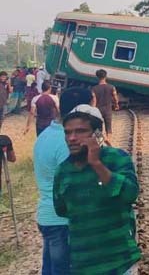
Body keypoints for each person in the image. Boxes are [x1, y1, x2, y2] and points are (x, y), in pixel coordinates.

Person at [53, 104, 140, 274]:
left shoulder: (116, 158)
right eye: (68, 132)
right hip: (82, 263)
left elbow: (130, 194)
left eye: (80, 131)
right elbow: (61, 209)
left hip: (119, 261)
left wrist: (96, 164)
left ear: (96, 134)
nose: (72, 138)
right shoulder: (63, 170)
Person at [33, 87, 91, 275]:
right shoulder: (67, 143)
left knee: (51, 269)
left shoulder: (47, 134)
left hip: (48, 216)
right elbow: (74, 186)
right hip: (63, 221)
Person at [90, 69, 119, 141]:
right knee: (108, 128)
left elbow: (94, 101)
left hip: (98, 110)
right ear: (106, 76)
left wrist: (92, 110)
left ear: (97, 77)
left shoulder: (94, 89)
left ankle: (100, 143)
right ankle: (108, 142)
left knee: (97, 128)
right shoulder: (112, 87)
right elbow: (115, 98)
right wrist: (116, 105)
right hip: (108, 110)